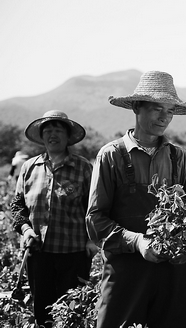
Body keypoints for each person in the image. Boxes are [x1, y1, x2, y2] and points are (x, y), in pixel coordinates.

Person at [86, 70, 186, 328]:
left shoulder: (179, 159)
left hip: (170, 274)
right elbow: (95, 220)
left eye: (170, 111)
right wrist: (138, 242)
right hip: (125, 273)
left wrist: (182, 243)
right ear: (137, 108)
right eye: (156, 109)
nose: (164, 117)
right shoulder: (112, 156)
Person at [10, 110, 97, 328]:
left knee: (73, 311)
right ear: (42, 137)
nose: (52, 134)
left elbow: (95, 208)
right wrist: (26, 230)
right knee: (43, 312)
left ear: (68, 137)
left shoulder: (83, 167)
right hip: (38, 254)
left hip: (74, 252)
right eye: (47, 130)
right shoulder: (29, 167)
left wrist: (92, 240)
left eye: (58, 130)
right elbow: (18, 206)